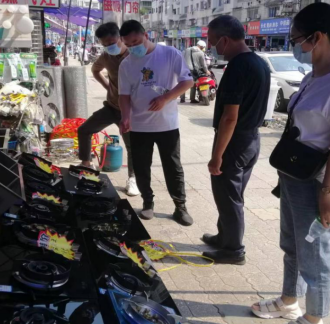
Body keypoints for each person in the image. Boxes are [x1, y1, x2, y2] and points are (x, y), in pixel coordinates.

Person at [249, 3, 330, 324]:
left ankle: (316, 320)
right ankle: (289, 300)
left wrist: (328, 195)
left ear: (317, 37)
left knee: (316, 254)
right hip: (295, 173)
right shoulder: (315, 75)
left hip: (319, 183)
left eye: (296, 39)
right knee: (292, 245)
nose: (294, 46)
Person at [199, 15, 270, 265]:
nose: (211, 47)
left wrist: (217, 156)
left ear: (225, 40)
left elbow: (230, 118)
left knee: (229, 197)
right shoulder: (258, 62)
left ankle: (234, 250)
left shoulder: (237, 67)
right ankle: (224, 236)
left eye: (212, 41)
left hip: (235, 142)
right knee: (231, 193)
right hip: (251, 140)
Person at [117, 20, 195, 226]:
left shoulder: (169, 54)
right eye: (128, 44)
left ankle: (180, 206)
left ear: (146, 35)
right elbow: (124, 95)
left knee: (173, 167)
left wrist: (165, 98)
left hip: (167, 125)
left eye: (136, 42)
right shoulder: (126, 64)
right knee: (142, 167)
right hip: (139, 126)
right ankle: (147, 202)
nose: (133, 48)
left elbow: (187, 81)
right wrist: (125, 117)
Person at [77, 22, 139, 196]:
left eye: (112, 43)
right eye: (105, 45)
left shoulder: (134, 55)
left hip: (130, 111)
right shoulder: (106, 56)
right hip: (111, 107)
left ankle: (133, 178)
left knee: (132, 145)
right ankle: (86, 164)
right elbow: (95, 70)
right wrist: (108, 87)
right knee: (84, 130)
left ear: (121, 38)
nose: (109, 47)